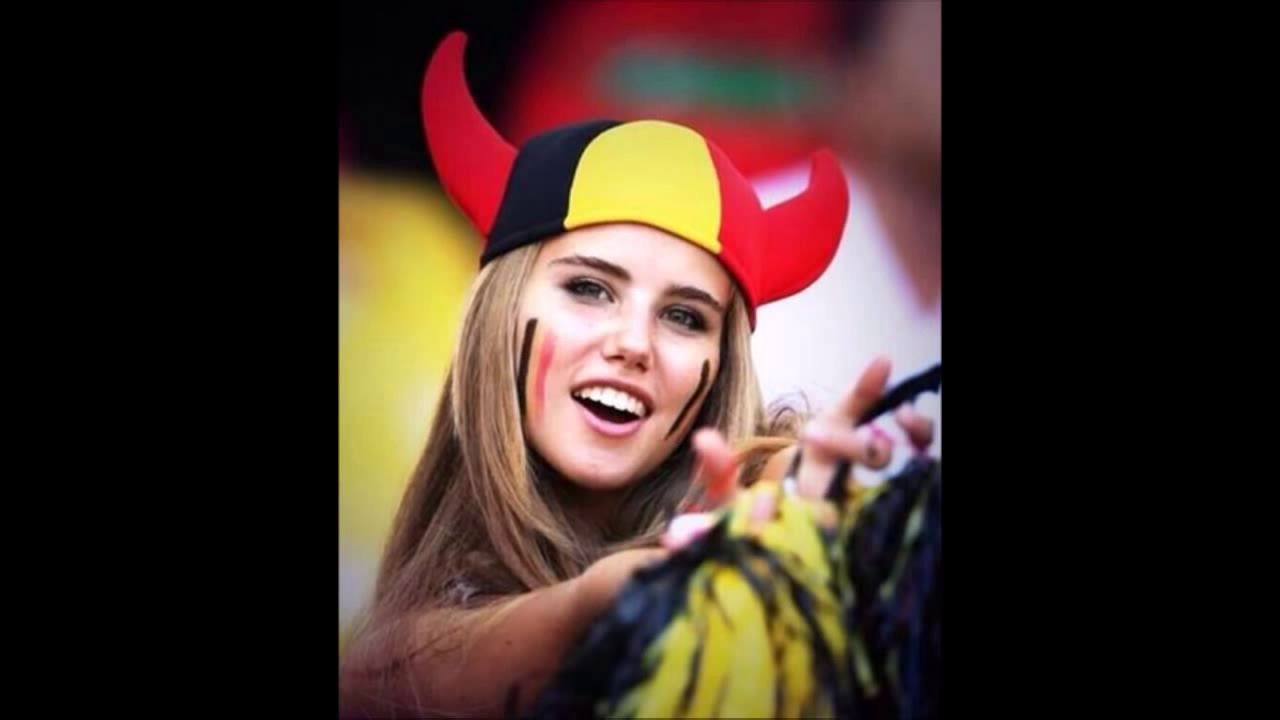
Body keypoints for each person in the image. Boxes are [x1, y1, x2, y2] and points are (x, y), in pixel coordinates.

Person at [338, 31, 935, 719]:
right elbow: (569, 620)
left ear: (719, 369)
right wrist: (652, 589)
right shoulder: (385, 670)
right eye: (590, 289)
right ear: (496, 317)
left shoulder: (775, 501)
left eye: (683, 317)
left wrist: (856, 536)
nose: (634, 344)